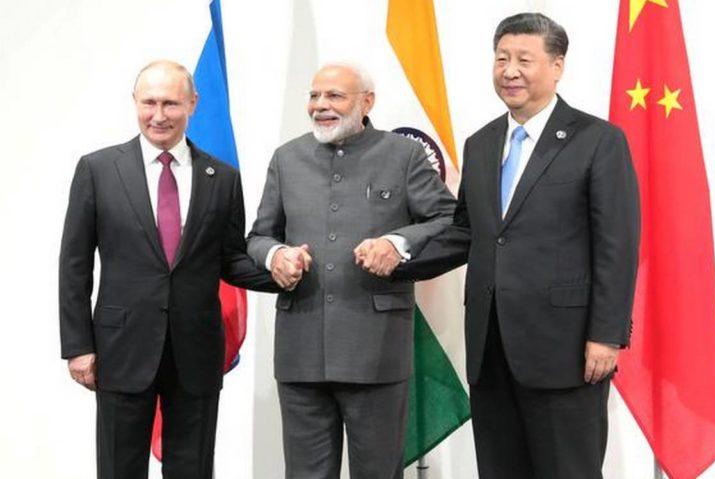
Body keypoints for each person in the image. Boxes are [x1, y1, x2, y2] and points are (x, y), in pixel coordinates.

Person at [390, 13, 640, 479]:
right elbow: (467, 232)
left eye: (525, 59)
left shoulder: (598, 140)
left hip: (566, 349)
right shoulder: (481, 143)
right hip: (491, 346)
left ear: (557, 66)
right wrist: (398, 251)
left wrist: (606, 334)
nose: (510, 70)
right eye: (502, 58)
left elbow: (617, 245)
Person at [59, 60, 277, 479]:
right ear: (135, 103)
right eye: (150, 102)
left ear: (193, 104)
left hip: (195, 352)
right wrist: (77, 345)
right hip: (120, 350)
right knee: (120, 469)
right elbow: (74, 264)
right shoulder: (98, 170)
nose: (159, 115)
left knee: (193, 470)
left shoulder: (223, 178)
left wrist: (282, 270)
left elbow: (230, 259)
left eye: (171, 103)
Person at [246, 63, 455, 479]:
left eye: (335, 96)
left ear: (366, 102)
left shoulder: (405, 155)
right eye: (314, 96)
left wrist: (397, 244)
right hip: (300, 352)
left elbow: (448, 220)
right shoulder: (286, 159)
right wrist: (275, 257)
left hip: (375, 351)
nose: (321, 106)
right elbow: (257, 236)